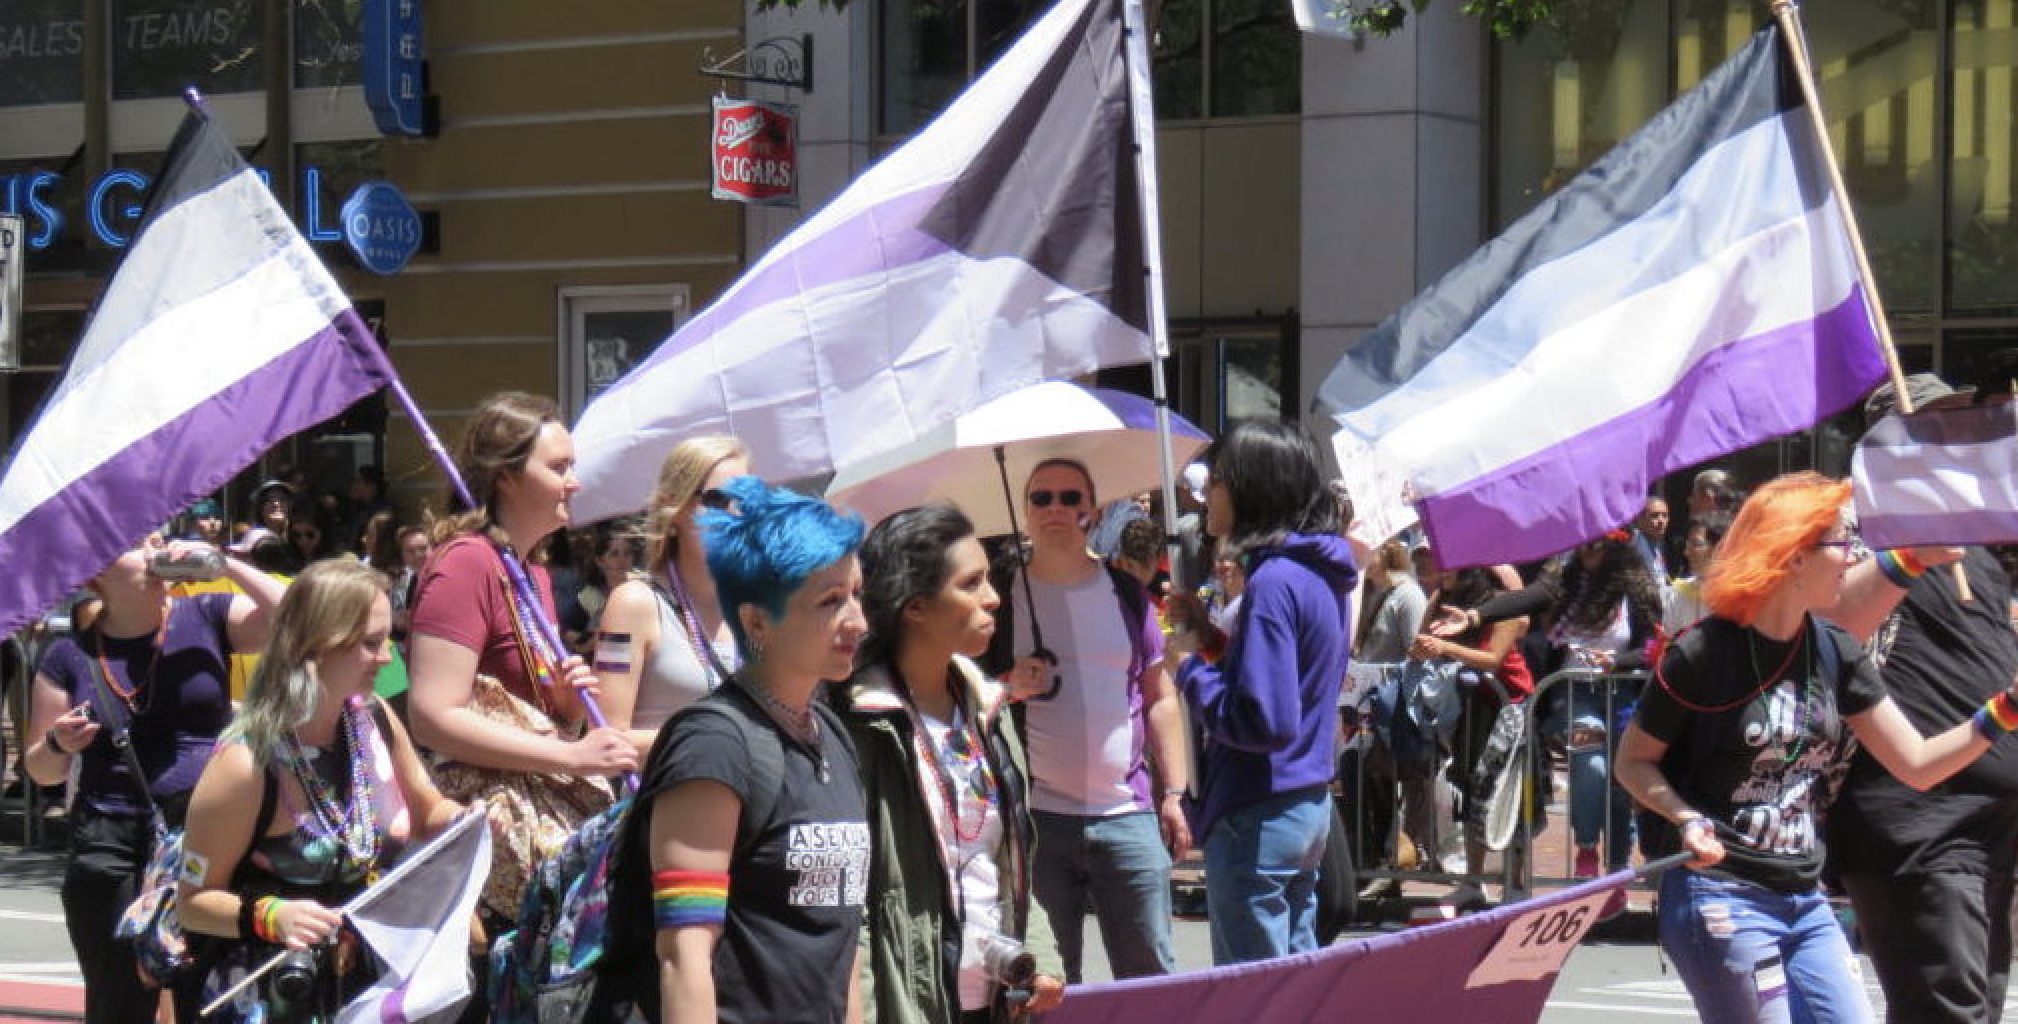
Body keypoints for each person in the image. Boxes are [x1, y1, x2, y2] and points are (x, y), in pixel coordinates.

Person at [1615, 471, 2018, 1024]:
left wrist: (2005, 710)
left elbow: (1919, 765)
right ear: (1794, 556)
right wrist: (1683, 815)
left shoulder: (1835, 651)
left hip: (1804, 900)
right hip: (1722, 893)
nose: (1852, 554)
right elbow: (1633, 762)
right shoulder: (1702, 654)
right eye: (1839, 543)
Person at [599, 477, 871, 1024]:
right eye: (830, 601)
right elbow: (683, 956)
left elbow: (842, 948)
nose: (857, 622)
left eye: (857, 595)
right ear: (755, 620)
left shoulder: (832, 735)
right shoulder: (714, 747)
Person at [177, 561, 466, 1022]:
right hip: (273, 992)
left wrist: (465, 823)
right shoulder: (245, 762)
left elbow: (428, 808)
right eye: (370, 643)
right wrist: (273, 916)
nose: (388, 657)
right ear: (317, 646)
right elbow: (192, 903)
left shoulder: (373, 719)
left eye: (386, 639)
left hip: (366, 984)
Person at [23, 533, 285, 1024]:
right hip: (108, 837)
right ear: (97, 574)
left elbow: (297, 616)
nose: (157, 544)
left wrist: (224, 562)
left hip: (204, 830)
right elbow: (42, 771)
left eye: (158, 535)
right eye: (137, 541)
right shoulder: (67, 654)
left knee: (207, 989)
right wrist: (58, 743)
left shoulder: (205, 614)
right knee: (118, 999)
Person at [1821, 373, 2018, 1024]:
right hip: (1918, 822)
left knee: (1978, 1009)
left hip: (1989, 823)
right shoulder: (1853, 522)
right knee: (1947, 1014)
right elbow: (1829, 623)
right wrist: (1908, 555)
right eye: (1936, 423)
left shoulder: (1974, 536)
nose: (1956, 437)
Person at [406, 391, 636, 936]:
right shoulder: (465, 563)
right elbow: (432, 715)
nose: (573, 482)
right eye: (558, 467)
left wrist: (561, 702)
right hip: (491, 855)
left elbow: (519, 706)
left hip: (539, 830)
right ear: (506, 476)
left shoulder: (529, 573)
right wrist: (569, 754)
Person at [840, 504, 1065, 1023]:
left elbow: (1011, 857)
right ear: (916, 606)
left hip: (994, 1000)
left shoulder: (988, 709)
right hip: (911, 1004)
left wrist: (1041, 958)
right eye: (971, 583)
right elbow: (854, 907)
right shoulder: (859, 723)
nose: (994, 597)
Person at [986, 457, 1189, 982]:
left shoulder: (1125, 594)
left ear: (1092, 512)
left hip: (1128, 814)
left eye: (1070, 498)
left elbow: (1158, 694)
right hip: (1038, 821)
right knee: (1048, 984)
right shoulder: (999, 600)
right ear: (1026, 512)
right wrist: (1008, 685)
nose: (1056, 508)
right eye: (1042, 497)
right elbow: (963, 694)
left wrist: (1173, 795)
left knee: (1150, 982)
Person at [1166, 420, 1357, 965]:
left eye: (1217, 481)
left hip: (1259, 810)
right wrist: (1210, 642)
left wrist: (1188, 672)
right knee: (1290, 988)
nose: (1206, 496)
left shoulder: (1274, 582)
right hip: (1302, 804)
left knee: (1253, 999)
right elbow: (1285, 680)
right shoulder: (1314, 574)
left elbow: (1265, 719)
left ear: (1251, 487)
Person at [594, 437, 749, 757]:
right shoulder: (633, 604)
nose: (735, 514)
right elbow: (606, 739)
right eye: (718, 501)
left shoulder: (755, 607)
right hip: (662, 800)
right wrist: (717, 735)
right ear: (674, 507)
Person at [1537, 531, 1663, 878]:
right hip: (1574, 692)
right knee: (1591, 767)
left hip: (1621, 693)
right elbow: (1534, 607)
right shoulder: (1568, 585)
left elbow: (1653, 648)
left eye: (1598, 545)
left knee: (1622, 779)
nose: (1588, 550)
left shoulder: (1634, 593)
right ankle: (1587, 848)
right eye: (1584, 544)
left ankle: (1619, 862)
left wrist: (1616, 663)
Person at [560, 520, 641, 656]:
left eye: (627, 553)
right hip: (611, 663)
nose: (622, 560)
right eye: (614, 554)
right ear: (600, 561)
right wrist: (588, 643)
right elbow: (565, 632)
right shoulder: (589, 597)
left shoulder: (644, 591)